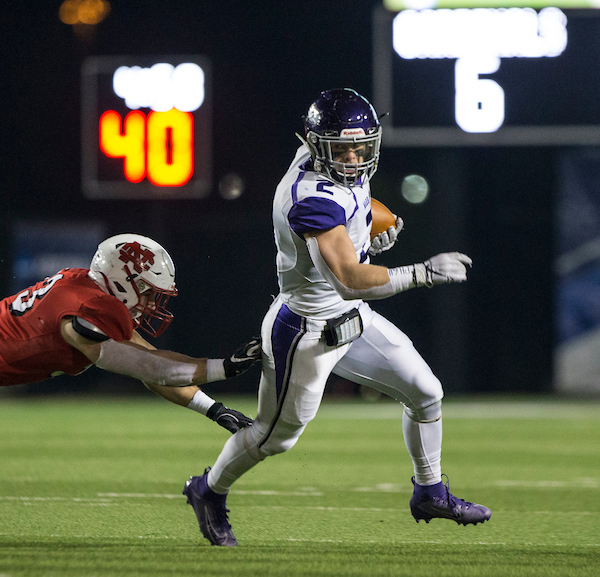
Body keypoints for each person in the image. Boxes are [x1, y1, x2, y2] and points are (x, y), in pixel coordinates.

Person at [182, 88, 491, 547]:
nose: (352, 157)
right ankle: (208, 490)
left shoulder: (326, 162)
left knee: (426, 392)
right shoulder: (311, 196)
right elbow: (348, 277)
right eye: (340, 148)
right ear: (314, 144)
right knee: (274, 437)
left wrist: (364, 230)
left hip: (349, 317)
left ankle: (429, 491)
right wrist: (421, 273)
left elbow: (350, 238)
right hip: (305, 330)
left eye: (360, 146)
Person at [0, 233, 260, 434]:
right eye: (147, 292)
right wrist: (225, 368)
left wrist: (215, 410)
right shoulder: (86, 307)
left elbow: (151, 362)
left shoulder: (91, 293)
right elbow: (151, 368)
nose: (150, 304)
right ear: (121, 279)